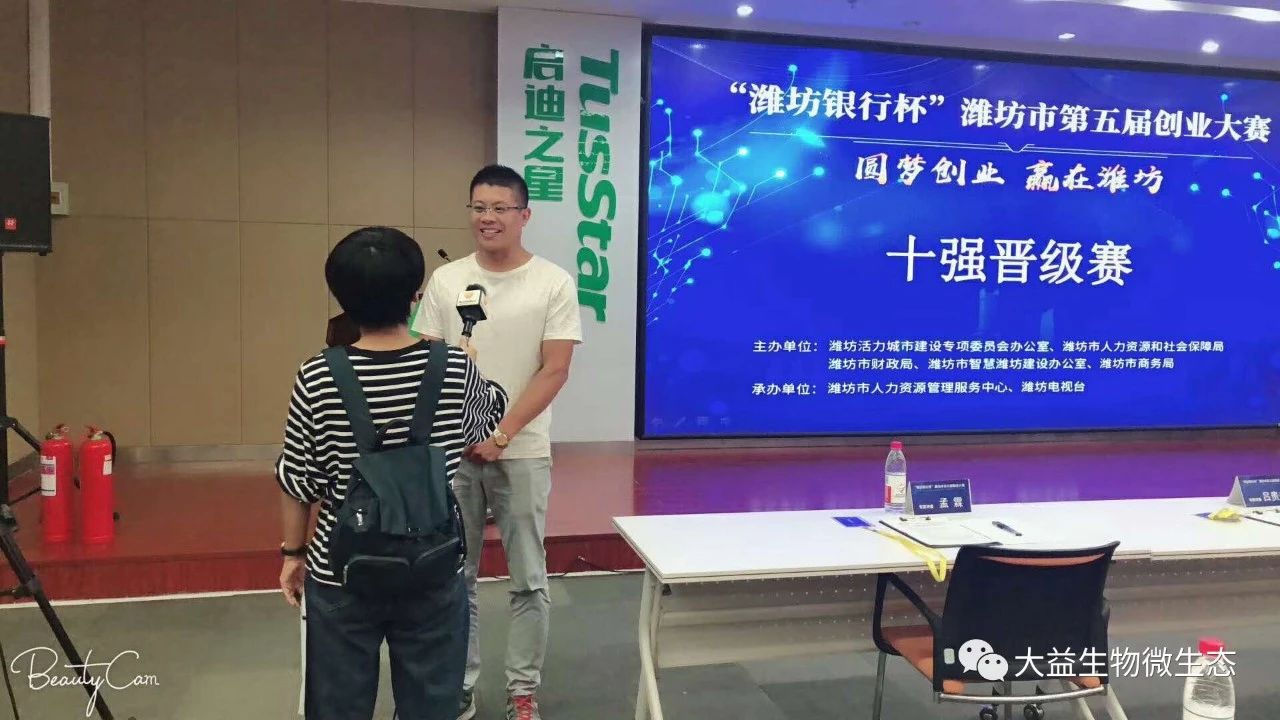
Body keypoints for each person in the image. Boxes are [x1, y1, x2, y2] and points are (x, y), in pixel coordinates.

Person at [276, 228, 508, 720]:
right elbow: (487, 421)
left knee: (337, 705)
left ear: (342, 299)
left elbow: (298, 480)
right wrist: (474, 373)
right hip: (433, 563)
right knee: (432, 705)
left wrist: (293, 554)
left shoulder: (316, 375)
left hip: (340, 569)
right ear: (415, 296)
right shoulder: (453, 368)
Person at [411, 165, 582, 720]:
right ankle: (459, 685)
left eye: (500, 208)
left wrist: (502, 433)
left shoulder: (552, 282)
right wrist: (460, 432)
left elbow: (555, 369)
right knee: (453, 577)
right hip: (455, 455)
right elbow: (426, 363)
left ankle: (522, 691)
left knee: (528, 577)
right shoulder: (447, 281)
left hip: (523, 450)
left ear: (524, 215)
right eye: (479, 207)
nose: (487, 218)